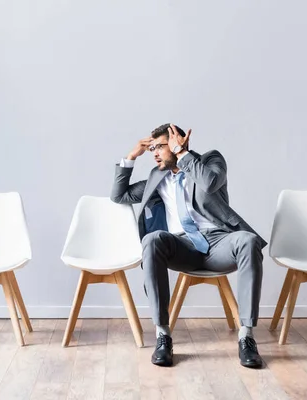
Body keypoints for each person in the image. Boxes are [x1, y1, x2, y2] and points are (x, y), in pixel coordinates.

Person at [110, 123, 266, 368]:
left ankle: (246, 337)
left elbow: (211, 183)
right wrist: (131, 157)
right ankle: (163, 336)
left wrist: (183, 155)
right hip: (180, 246)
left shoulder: (211, 160)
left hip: (219, 243)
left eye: (160, 146)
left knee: (248, 240)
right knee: (152, 239)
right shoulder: (157, 176)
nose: (155, 153)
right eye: (153, 148)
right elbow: (120, 195)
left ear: (179, 142)